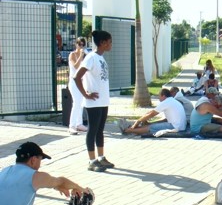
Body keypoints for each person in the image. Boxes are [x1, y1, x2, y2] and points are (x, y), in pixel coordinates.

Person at [74, 30, 114, 172]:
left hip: (103, 101)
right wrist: (85, 94)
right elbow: (77, 77)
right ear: (102, 43)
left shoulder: (101, 58)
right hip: (94, 102)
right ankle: (92, 161)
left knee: (100, 130)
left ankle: (101, 158)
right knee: (92, 130)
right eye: (109, 42)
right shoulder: (90, 57)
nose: (111, 44)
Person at [118, 88, 187, 136]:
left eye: (159, 96)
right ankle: (135, 129)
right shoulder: (171, 100)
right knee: (153, 124)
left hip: (176, 127)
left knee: (152, 127)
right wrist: (143, 120)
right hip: (181, 126)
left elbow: (152, 114)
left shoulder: (166, 102)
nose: (158, 98)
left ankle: (129, 130)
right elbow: (151, 112)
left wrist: (138, 121)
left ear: (163, 96)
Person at [67, 37, 88, 135]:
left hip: (82, 82)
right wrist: (80, 55)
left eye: (83, 44)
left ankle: (79, 124)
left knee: (81, 102)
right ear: (76, 44)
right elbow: (75, 66)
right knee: (76, 102)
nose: (81, 46)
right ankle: (72, 126)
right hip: (73, 82)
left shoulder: (85, 56)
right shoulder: (72, 54)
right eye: (80, 44)